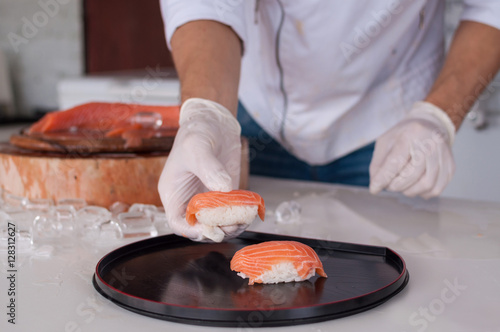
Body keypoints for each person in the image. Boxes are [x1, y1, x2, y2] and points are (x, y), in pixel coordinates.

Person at [157, 0, 500, 241]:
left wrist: (438, 114)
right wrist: (207, 113)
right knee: (236, 286)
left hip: (391, 122)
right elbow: (203, 4)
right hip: (254, 109)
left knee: (397, 280)